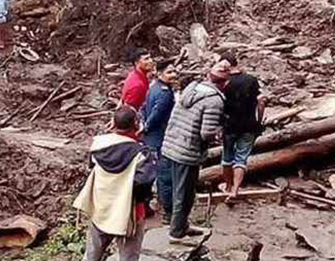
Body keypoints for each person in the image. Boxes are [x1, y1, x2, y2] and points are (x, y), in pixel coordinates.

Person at [74, 106, 156, 261]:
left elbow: (93, 167)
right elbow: (144, 183)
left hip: (101, 207)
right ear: (136, 124)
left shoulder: (99, 145)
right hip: (128, 213)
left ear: (113, 123)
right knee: (128, 256)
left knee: (92, 254)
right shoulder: (141, 154)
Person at [161, 61, 231, 244]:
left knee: (181, 190)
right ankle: (177, 233)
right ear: (225, 83)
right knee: (184, 193)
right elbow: (206, 133)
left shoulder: (191, 90)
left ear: (208, 76)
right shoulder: (214, 100)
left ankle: (182, 225)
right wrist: (218, 134)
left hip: (171, 145)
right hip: (187, 150)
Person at [219, 53, 266, 201]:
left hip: (229, 125)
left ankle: (227, 186)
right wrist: (259, 120)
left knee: (227, 157)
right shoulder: (251, 80)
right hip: (249, 124)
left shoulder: (223, 82)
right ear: (236, 63)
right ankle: (235, 190)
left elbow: (218, 105)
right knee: (241, 159)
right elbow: (261, 102)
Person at [140, 60, 178, 223]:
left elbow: (144, 108)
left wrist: (144, 124)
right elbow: (157, 114)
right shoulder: (165, 93)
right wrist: (147, 126)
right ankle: (168, 212)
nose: (174, 75)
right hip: (159, 138)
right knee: (164, 176)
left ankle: (148, 206)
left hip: (151, 137)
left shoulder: (154, 87)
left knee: (150, 172)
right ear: (160, 73)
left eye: (175, 71)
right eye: (169, 72)